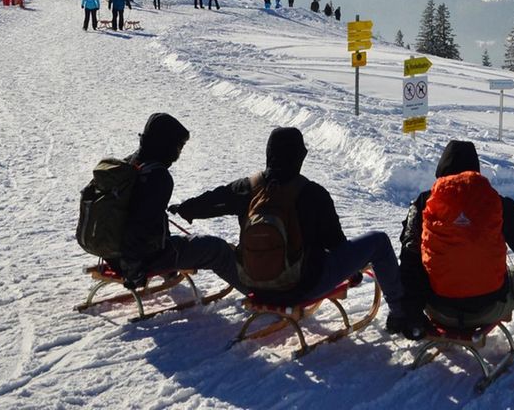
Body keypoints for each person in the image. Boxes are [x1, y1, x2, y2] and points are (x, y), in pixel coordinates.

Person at [170, 127, 423, 336]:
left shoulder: (247, 187)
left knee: (217, 248)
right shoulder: (313, 193)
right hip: (300, 287)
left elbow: (214, 201)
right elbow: (336, 245)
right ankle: (400, 314)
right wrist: (352, 270)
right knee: (378, 241)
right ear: (299, 157)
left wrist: (185, 208)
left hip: (250, 283)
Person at [398, 140, 514, 347]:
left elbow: (408, 255)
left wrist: (410, 311)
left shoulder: (422, 203)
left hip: (437, 308)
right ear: (476, 171)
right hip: (488, 307)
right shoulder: (496, 203)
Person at [113, 113, 245, 293]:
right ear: (166, 144)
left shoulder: (129, 164)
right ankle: (257, 292)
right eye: (179, 146)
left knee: (163, 229)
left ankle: (165, 270)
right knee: (217, 249)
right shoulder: (157, 176)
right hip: (141, 260)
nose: (179, 153)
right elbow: (139, 226)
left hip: (113, 253)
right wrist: (133, 270)